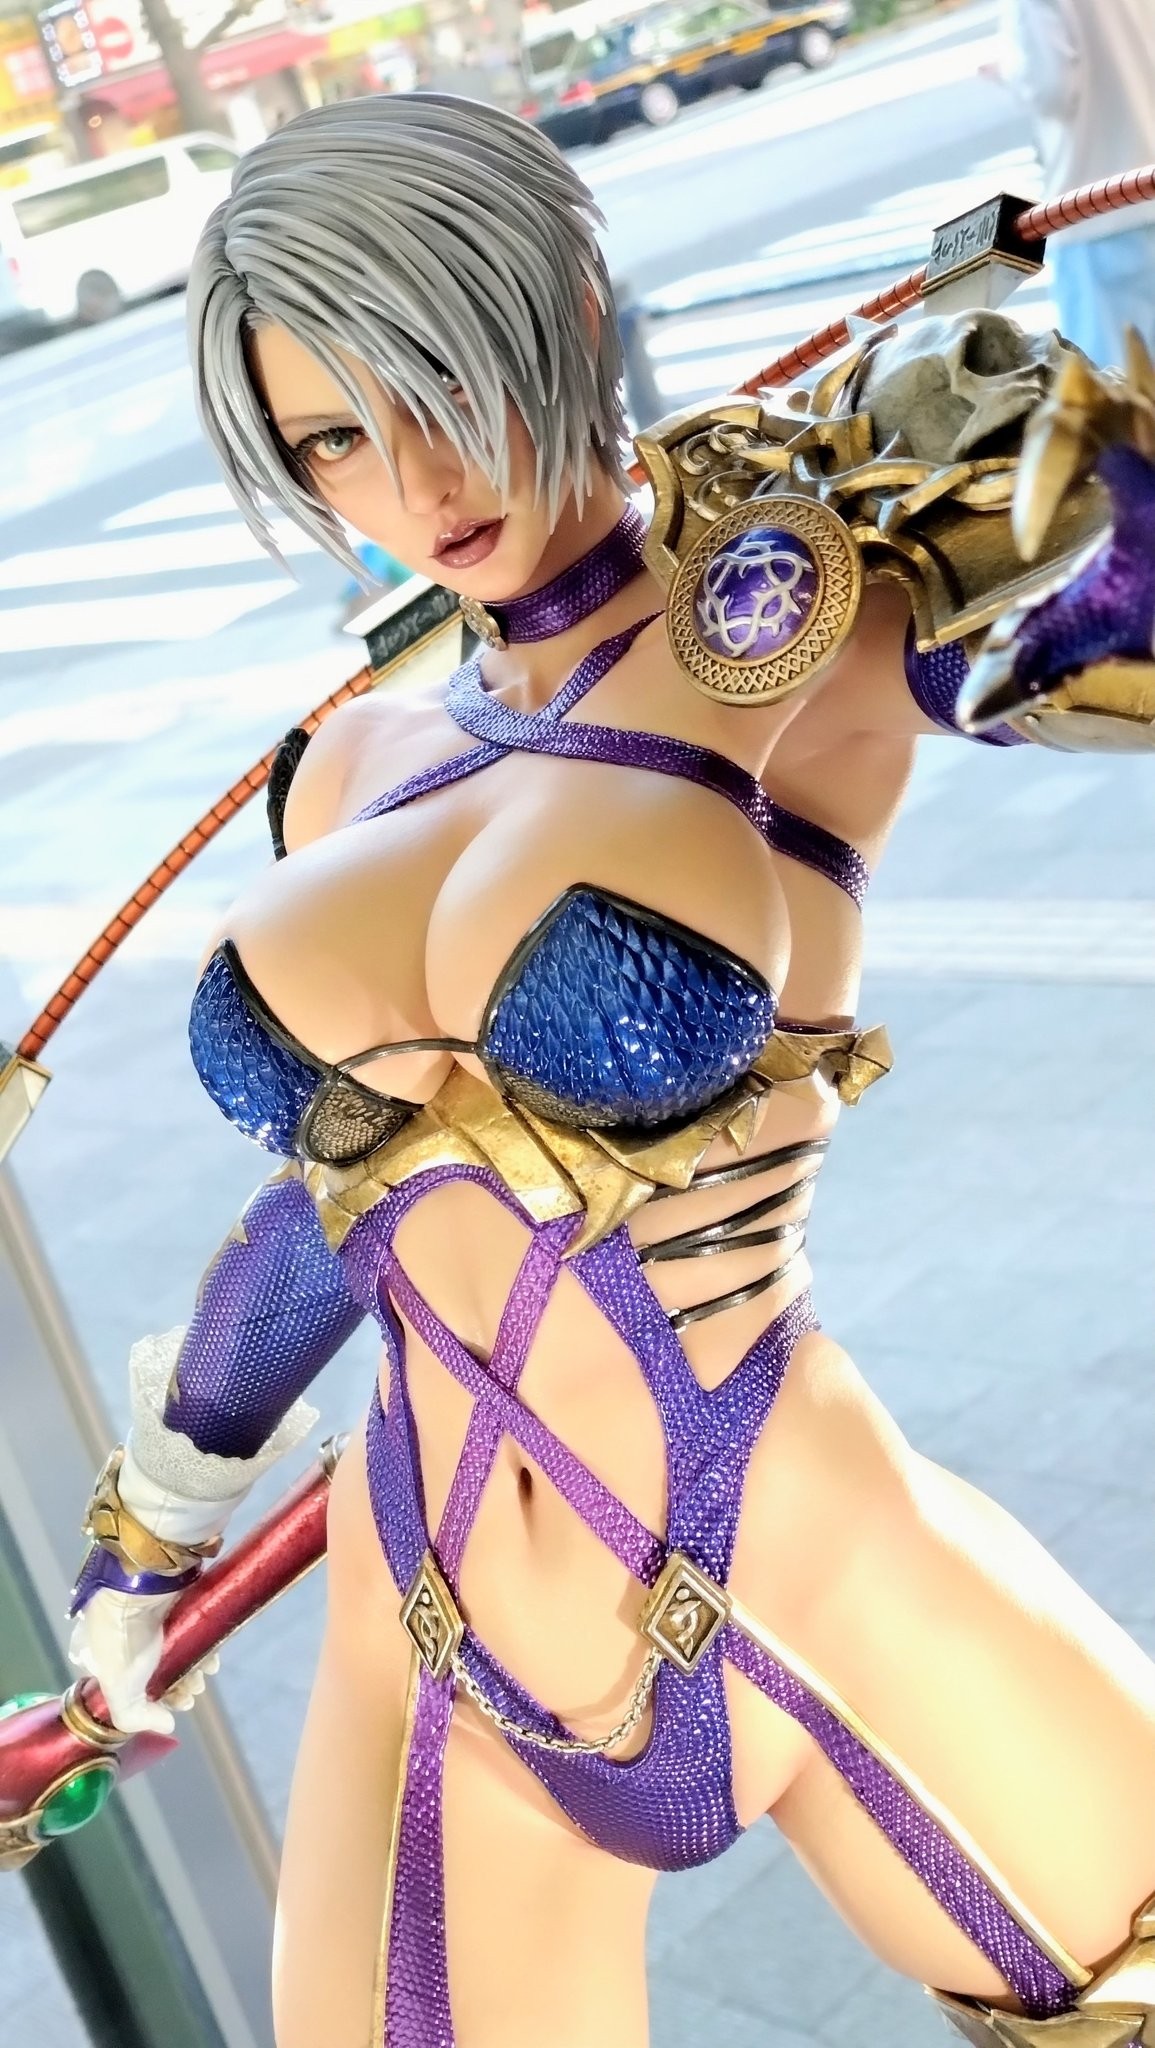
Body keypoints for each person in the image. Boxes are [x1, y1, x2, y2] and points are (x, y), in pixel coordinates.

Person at [65, 95, 1155, 2048]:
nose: (410, 480)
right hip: (430, 1634)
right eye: (333, 437)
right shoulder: (348, 761)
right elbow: (343, 1211)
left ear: (564, 310)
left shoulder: (795, 629)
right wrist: (146, 1537)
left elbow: (1110, 608)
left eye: (433, 381)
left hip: (800, 1557)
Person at [996, 0, 1155, 366]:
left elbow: (1050, 88)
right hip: (1144, 184)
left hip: (1092, 209)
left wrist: (1009, 71)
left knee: (1109, 382)